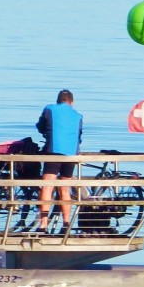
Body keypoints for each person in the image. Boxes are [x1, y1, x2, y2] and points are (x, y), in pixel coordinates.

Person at [36, 89, 83, 231]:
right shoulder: (78, 115)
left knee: (47, 187)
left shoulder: (49, 109)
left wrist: (46, 133)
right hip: (71, 154)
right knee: (65, 189)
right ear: (71, 103)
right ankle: (66, 224)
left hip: (54, 151)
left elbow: (40, 126)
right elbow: (79, 136)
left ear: (58, 101)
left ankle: (43, 225)